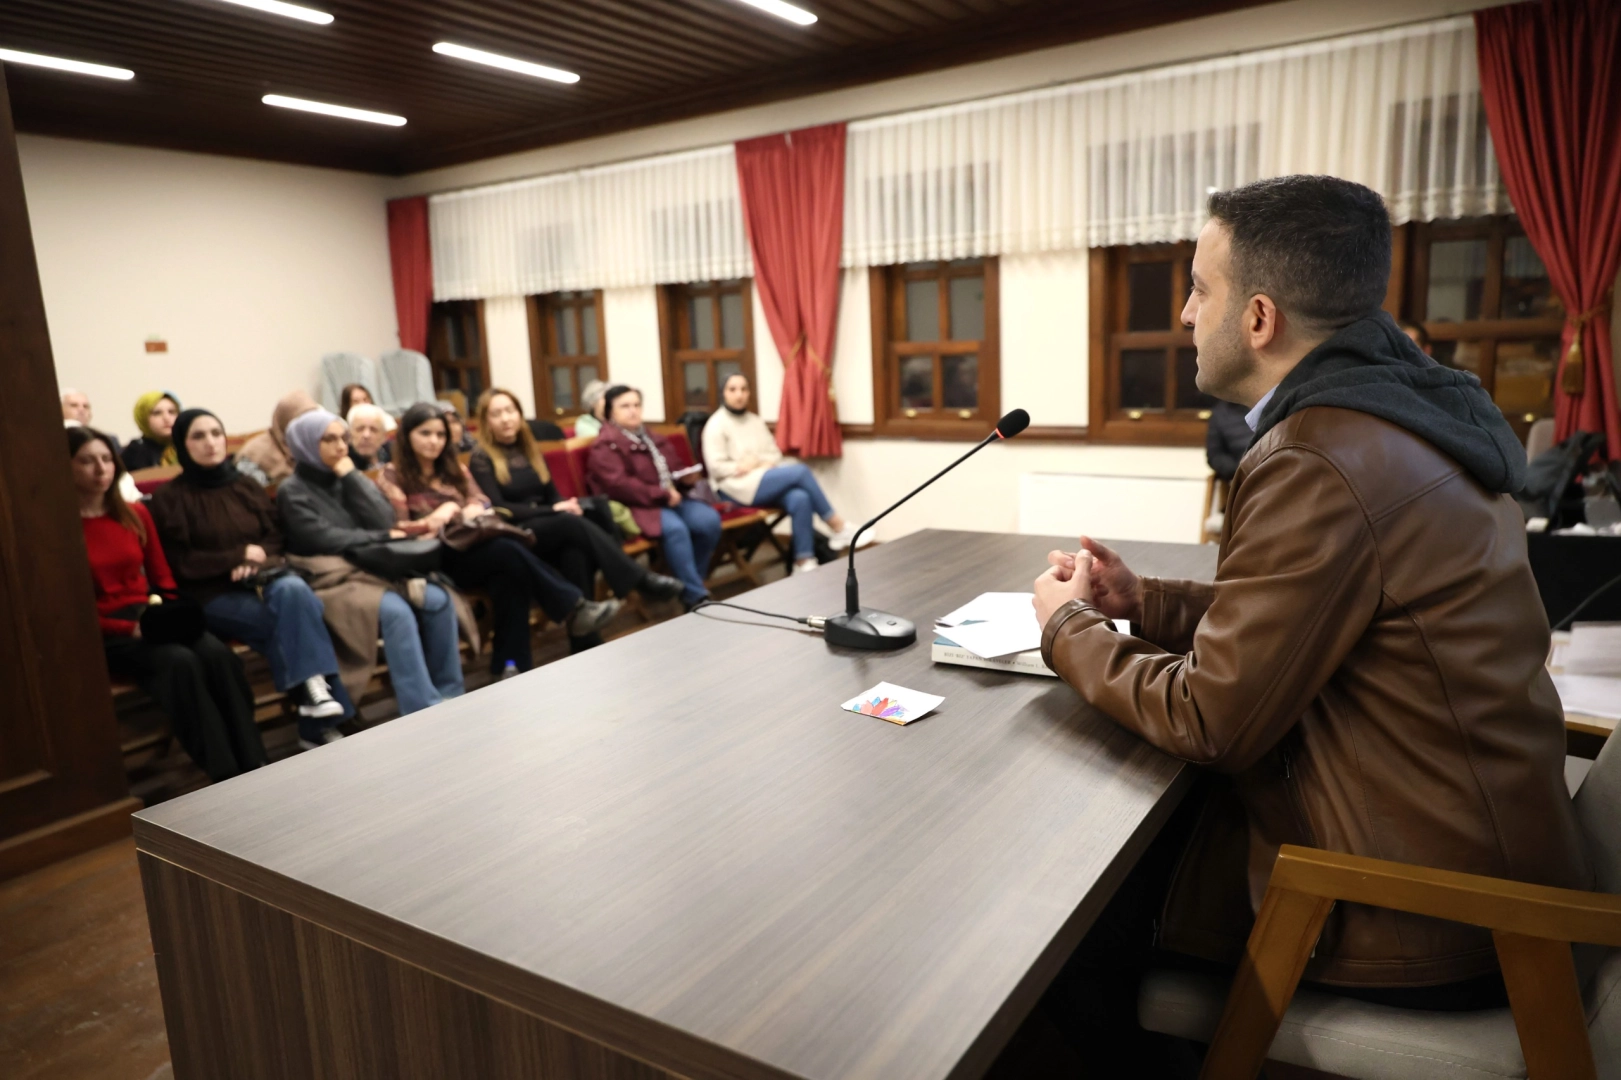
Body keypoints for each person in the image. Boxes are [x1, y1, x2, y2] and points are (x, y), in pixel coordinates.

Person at [1027, 176, 1588, 1067]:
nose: (1184, 313)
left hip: (1422, 917)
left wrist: (1066, 630)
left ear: (1258, 318)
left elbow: (1210, 721)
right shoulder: (1401, 413)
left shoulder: (1317, 456)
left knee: (1066, 931)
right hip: (1484, 864)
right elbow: (1323, 616)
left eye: (1198, 289)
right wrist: (1146, 605)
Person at [148, 408, 354, 751]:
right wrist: (236, 557)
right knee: (293, 623)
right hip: (211, 595)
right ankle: (320, 719)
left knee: (293, 590)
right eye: (198, 436)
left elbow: (275, 537)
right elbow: (179, 561)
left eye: (216, 433)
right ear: (182, 444)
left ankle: (317, 708)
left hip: (263, 582)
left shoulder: (245, 485)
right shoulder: (170, 497)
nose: (211, 442)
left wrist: (257, 559)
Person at [71, 426, 266, 781]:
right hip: (108, 630)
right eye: (86, 461)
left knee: (216, 654)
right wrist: (128, 629)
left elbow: (162, 578)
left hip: (150, 615)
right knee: (180, 662)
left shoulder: (133, 514)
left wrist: (174, 614)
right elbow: (72, 612)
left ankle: (256, 765)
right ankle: (225, 774)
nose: (100, 469)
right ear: (66, 467)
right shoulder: (63, 531)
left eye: (106, 459)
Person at [378, 403, 621, 665]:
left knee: (510, 572)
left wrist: (468, 508)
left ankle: (511, 666)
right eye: (425, 433)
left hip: (472, 547)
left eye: (440, 435)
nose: (434, 441)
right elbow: (398, 529)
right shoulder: (392, 475)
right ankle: (574, 609)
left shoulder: (454, 468)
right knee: (507, 551)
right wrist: (440, 516)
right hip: (433, 557)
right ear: (407, 436)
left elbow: (482, 501)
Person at [277, 409, 465, 715]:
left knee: (438, 600)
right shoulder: (292, 490)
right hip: (332, 578)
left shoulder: (346, 478)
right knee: (397, 613)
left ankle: (451, 695)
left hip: (374, 569)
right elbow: (323, 538)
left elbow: (384, 518)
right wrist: (380, 536)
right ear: (307, 443)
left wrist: (352, 477)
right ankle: (422, 709)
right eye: (329, 439)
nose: (341, 446)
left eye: (343, 438)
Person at [468, 388, 684, 608]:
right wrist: (554, 510)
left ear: (519, 414)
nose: (506, 419)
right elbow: (501, 508)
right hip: (517, 529)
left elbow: (552, 494)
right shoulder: (481, 458)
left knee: (575, 549)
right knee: (569, 523)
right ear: (486, 421)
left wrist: (567, 505)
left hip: (548, 523)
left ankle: (584, 621)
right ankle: (639, 580)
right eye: (496, 414)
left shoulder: (530, 450)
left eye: (510, 411)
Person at [701, 373, 856, 573]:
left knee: (800, 498)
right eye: (733, 389)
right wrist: (742, 467)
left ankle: (803, 561)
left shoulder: (755, 421)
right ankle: (838, 526)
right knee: (800, 471)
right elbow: (715, 467)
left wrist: (757, 464)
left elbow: (774, 454)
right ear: (723, 393)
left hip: (759, 478)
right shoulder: (715, 425)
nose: (739, 394)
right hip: (733, 487)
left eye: (744, 389)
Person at [586, 386, 720, 609]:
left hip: (671, 498)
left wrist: (685, 479)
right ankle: (695, 596)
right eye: (625, 406)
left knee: (708, 521)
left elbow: (674, 466)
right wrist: (662, 494)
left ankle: (688, 583)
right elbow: (620, 486)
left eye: (636, 405)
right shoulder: (605, 444)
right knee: (676, 530)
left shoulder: (650, 436)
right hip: (637, 505)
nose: (633, 411)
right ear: (610, 412)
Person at [237, 389, 319, 487]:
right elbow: (249, 492)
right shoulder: (256, 453)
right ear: (285, 422)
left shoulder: (315, 448)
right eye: (302, 421)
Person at [122, 390, 181, 470]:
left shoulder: (187, 446)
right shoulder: (135, 452)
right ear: (143, 418)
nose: (167, 418)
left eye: (171, 412)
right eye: (157, 413)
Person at [1203, 399, 1252, 483]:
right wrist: (1240, 471)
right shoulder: (1220, 413)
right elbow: (1215, 455)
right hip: (1242, 477)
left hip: (1273, 470)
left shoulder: (1272, 402)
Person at [346, 402, 391, 470]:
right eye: (360, 429)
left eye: (373, 430)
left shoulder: (396, 455)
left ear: (384, 437)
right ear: (349, 434)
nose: (366, 435)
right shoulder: (344, 463)